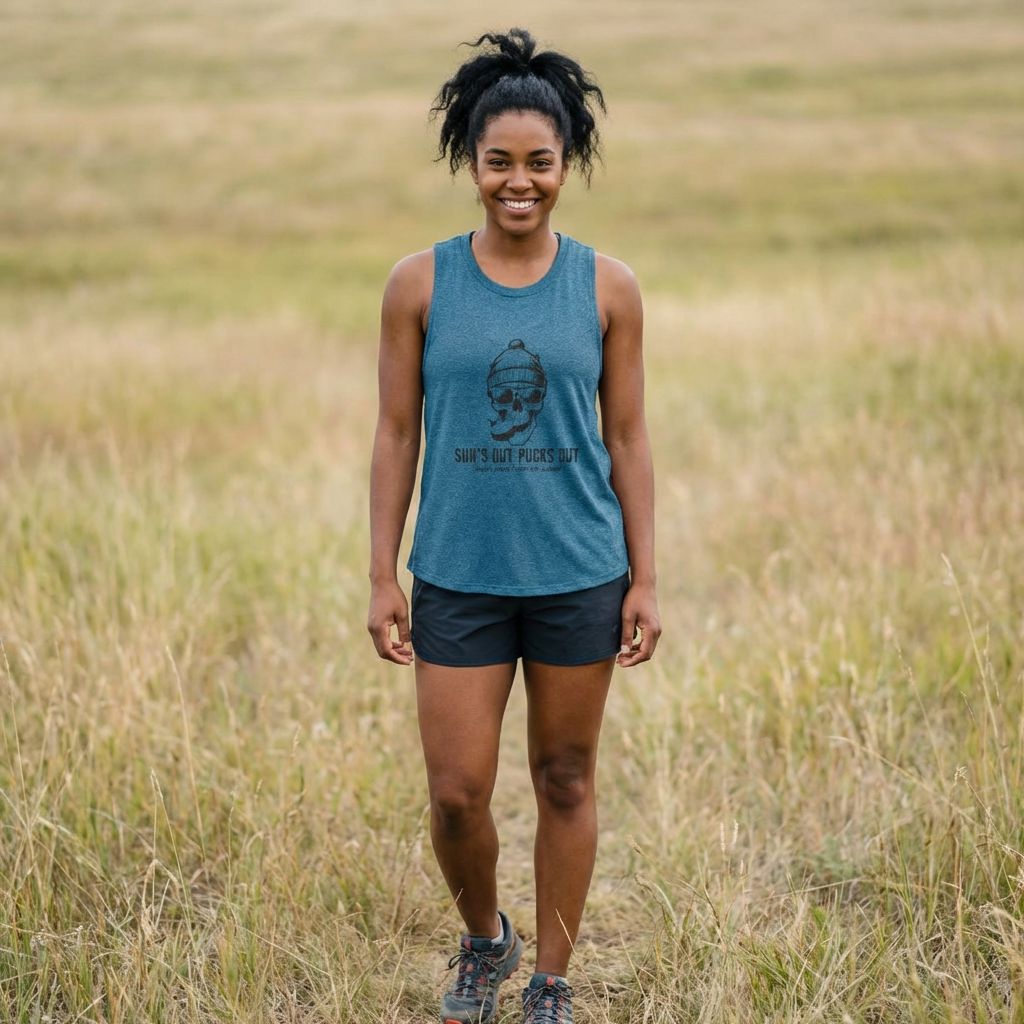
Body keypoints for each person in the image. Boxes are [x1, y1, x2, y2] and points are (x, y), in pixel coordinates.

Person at [367, 28, 660, 1024]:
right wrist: (379, 573)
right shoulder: (419, 283)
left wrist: (645, 579)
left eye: (540, 162)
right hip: (458, 572)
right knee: (456, 791)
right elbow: (396, 431)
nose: (519, 181)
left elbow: (627, 437)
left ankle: (549, 984)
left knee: (564, 777)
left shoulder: (607, 286)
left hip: (579, 570)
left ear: (567, 164)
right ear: (471, 163)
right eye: (500, 162)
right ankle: (487, 939)